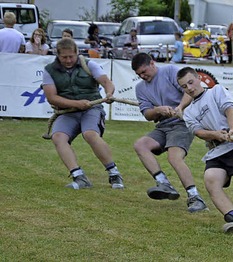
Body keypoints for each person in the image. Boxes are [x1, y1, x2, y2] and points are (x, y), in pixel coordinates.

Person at [178, 66, 233, 232]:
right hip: (216, 151)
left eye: (191, 82)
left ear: (199, 78)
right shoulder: (189, 111)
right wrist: (215, 134)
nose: (189, 88)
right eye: (184, 86)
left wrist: (232, 129)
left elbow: (230, 110)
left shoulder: (216, 91)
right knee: (211, 179)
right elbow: (198, 132)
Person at [41, 38, 124, 190]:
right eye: (64, 57)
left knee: (90, 134)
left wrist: (109, 93)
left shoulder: (88, 64)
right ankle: (78, 176)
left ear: (77, 53)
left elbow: (106, 81)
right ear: (57, 55)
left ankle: (114, 173)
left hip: (92, 109)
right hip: (67, 112)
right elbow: (51, 97)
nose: (68, 60)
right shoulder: (49, 70)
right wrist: (76, 104)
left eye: (71, 56)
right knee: (58, 137)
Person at [130, 53, 207, 213]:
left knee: (174, 157)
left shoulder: (170, 71)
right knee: (140, 145)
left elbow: (188, 91)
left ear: (152, 63)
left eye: (144, 72)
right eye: (139, 75)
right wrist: (157, 110)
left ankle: (195, 197)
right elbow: (147, 114)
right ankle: (163, 183)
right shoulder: (140, 88)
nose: (142, 76)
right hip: (163, 126)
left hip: (182, 123)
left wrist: (179, 107)